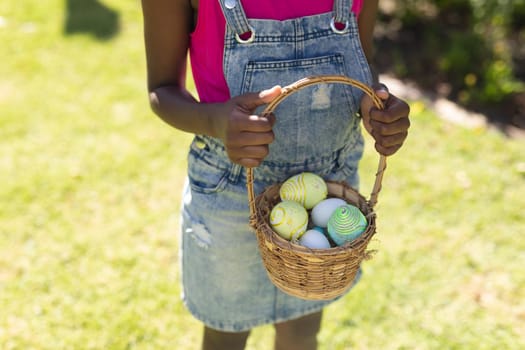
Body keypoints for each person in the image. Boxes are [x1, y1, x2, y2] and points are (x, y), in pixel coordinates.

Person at [140, 0, 410, 349]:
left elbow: (362, 62)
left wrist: (375, 104)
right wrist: (216, 121)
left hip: (328, 187)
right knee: (227, 334)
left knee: (301, 332)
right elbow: (161, 89)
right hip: (231, 190)